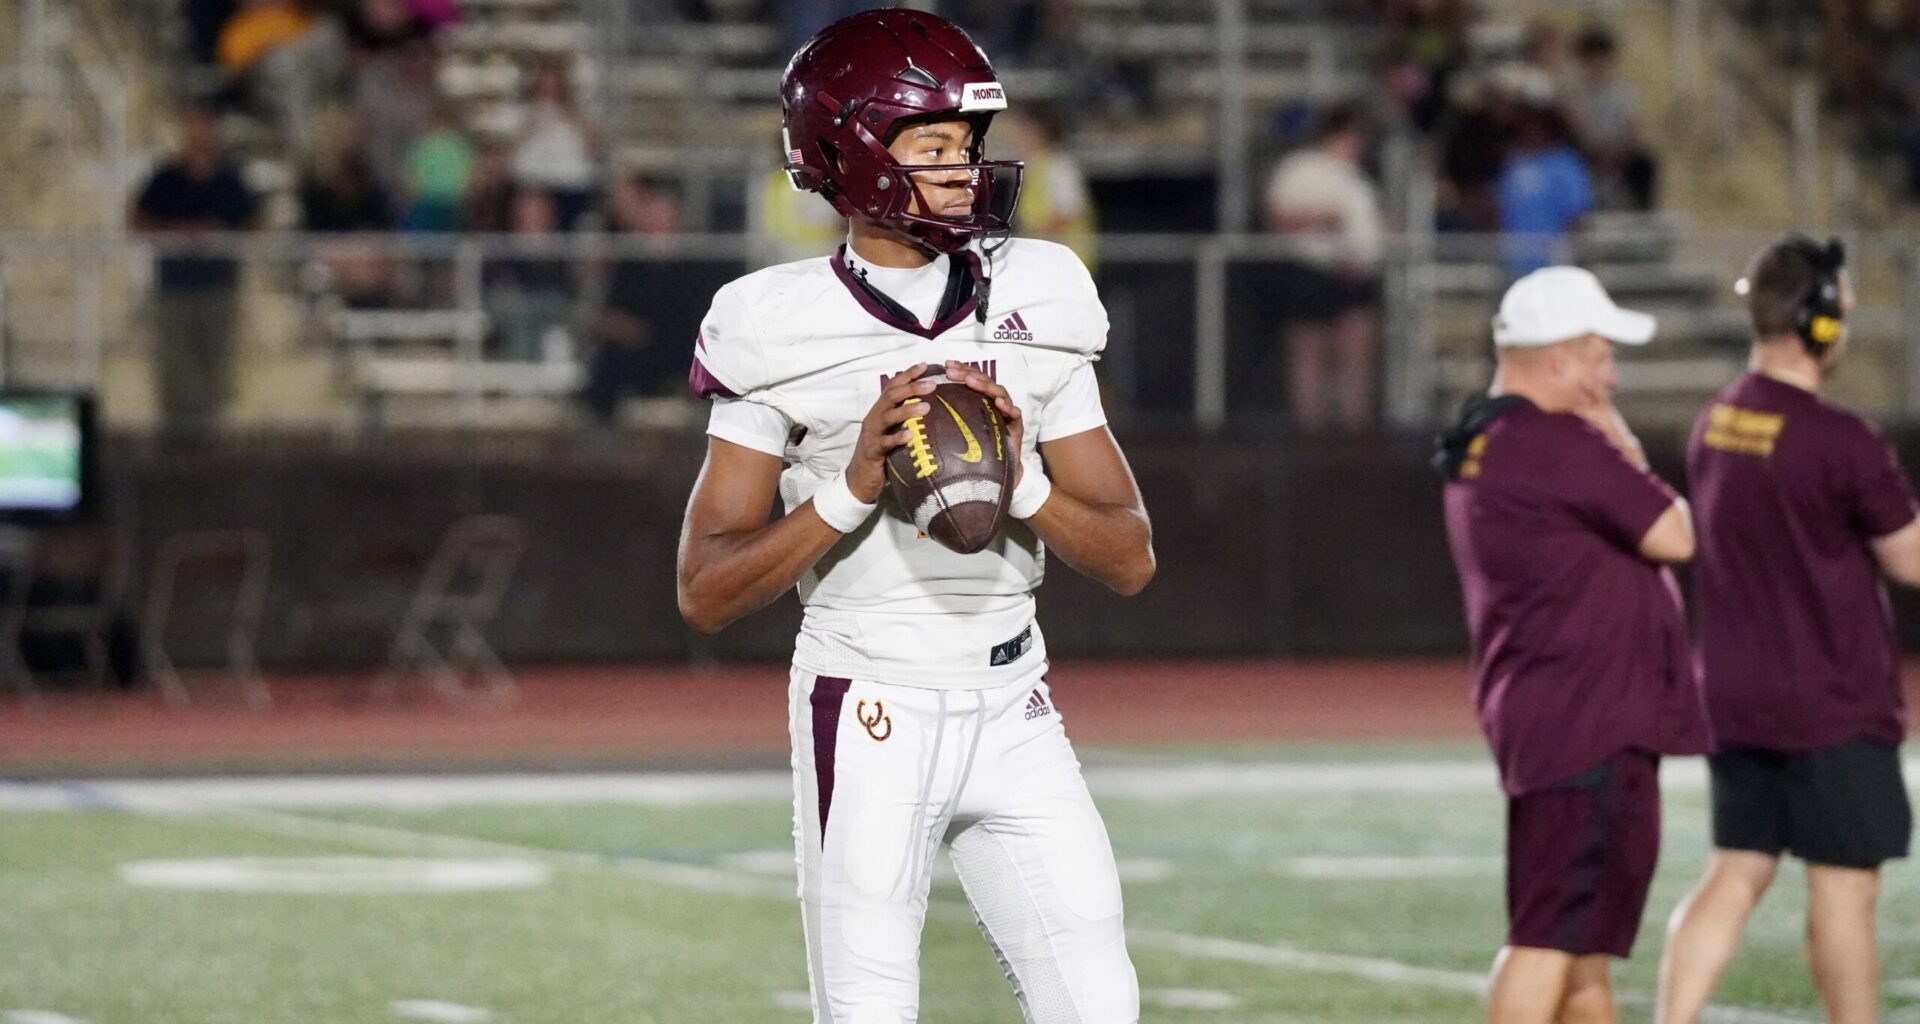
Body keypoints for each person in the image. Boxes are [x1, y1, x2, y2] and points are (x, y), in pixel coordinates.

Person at [675, 11, 1153, 1023]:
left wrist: (1023, 485)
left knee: (1101, 1007)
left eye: (968, 146)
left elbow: (1130, 557)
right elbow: (706, 588)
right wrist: (850, 488)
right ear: (851, 152)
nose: (963, 169)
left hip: (1016, 698)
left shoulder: (1042, 292)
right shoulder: (773, 322)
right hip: (869, 700)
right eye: (932, 145)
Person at [1435, 266, 1706, 1024]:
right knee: (1547, 940)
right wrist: (1612, 431)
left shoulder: (1492, 435)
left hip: (1557, 712)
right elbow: (1675, 532)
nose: (1609, 377)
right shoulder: (1549, 440)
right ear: (1556, 360)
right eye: (1598, 357)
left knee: (1582, 955)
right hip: (1589, 719)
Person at [1659, 237, 1916, 1024]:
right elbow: (1911, 560)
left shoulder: (1716, 422)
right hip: (1831, 698)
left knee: (1735, 869)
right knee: (1844, 887)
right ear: (1823, 322)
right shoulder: (1841, 440)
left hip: (1736, 694)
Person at [131, 99, 262, 439]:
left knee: (216, 366)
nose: (199, 133)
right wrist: (176, 234)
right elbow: (139, 222)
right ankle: (177, 437)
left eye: (206, 125)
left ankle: (212, 436)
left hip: (218, 286)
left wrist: (219, 234)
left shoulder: (231, 179)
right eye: (193, 124)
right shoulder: (166, 178)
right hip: (175, 288)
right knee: (176, 367)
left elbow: (255, 224)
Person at [1262, 102, 1384, 430]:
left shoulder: (1357, 177)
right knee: (1310, 352)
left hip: (1356, 272)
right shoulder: (1300, 169)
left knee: (1357, 351)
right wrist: (1324, 220)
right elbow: (1279, 219)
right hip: (1312, 271)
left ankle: (1355, 428)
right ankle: (1310, 429)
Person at [1563, 25, 1657, 211]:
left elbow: (1633, 128)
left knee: (1645, 163)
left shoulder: (1624, 92)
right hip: (1584, 154)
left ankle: (1643, 215)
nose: (1596, 64)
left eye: (1601, 58)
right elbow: (1573, 126)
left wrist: (1618, 155)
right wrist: (1592, 153)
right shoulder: (1572, 92)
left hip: (1618, 154)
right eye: (1590, 58)